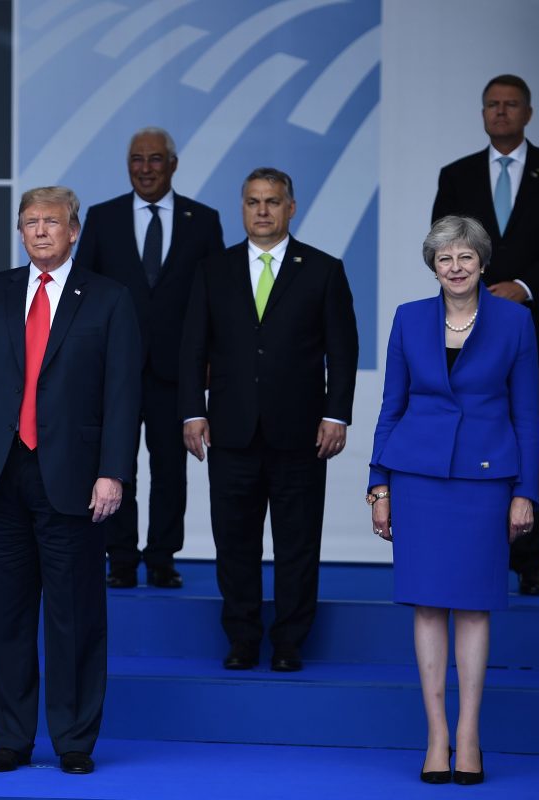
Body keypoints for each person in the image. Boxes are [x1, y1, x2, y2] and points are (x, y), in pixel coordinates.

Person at [0, 186, 141, 775]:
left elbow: (123, 395)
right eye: (31, 222)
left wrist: (113, 472)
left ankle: (74, 739)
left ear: (74, 231)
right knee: (4, 616)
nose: (42, 231)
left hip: (75, 478)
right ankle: (10, 739)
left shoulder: (108, 298)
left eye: (52, 221)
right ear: (20, 232)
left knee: (75, 616)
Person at [368, 215, 539, 785]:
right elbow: (391, 407)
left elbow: (528, 416)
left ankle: (469, 736)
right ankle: (436, 736)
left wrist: (525, 491)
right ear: (433, 266)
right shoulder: (408, 318)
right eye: (445, 258)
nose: (456, 267)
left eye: (466, 257)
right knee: (427, 606)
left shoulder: (515, 321)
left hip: (485, 482)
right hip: (417, 480)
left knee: (473, 606)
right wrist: (379, 485)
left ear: (482, 263)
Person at [180, 167, 358, 673]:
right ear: (242, 207)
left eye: (272, 201)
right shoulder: (213, 269)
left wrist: (336, 414)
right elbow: (192, 348)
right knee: (234, 541)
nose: (262, 210)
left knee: (297, 542)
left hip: (301, 433)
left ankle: (289, 642)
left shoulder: (323, 269)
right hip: (230, 430)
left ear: (291, 208)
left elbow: (343, 351)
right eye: (253, 201)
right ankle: (241, 638)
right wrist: (193, 411)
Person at [430, 74, 539, 597]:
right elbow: (442, 244)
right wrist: (475, 292)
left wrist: (523, 287)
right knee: (469, 437)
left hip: (534, 324)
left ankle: (527, 559)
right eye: (492, 104)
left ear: (528, 113)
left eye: (511, 103)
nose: (500, 111)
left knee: (528, 438)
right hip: (466, 325)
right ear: (482, 113)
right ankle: (475, 551)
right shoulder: (456, 175)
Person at [74, 126, 224, 589]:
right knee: (116, 464)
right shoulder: (103, 217)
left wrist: (210, 360)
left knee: (171, 469)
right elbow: (83, 291)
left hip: (177, 370)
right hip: (112, 368)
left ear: (173, 165)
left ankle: (162, 557)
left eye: (155, 159)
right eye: (136, 159)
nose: (145, 168)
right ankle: (119, 558)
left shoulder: (204, 220)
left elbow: (218, 299)